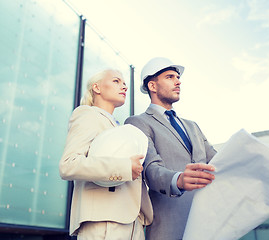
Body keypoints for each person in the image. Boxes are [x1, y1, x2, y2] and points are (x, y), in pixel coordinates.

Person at [125, 57, 216, 240]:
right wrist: (179, 180)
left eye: (177, 77)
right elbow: (150, 169)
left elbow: (215, 160)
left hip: (206, 222)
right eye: (170, 77)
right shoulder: (138, 123)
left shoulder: (193, 126)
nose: (178, 81)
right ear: (152, 86)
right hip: (169, 224)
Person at [59, 69, 153, 240]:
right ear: (97, 87)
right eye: (116, 81)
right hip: (104, 223)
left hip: (131, 222)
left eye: (124, 83)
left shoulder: (115, 127)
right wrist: (124, 167)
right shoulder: (87, 114)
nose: (124, 86)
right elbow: (68, 165)